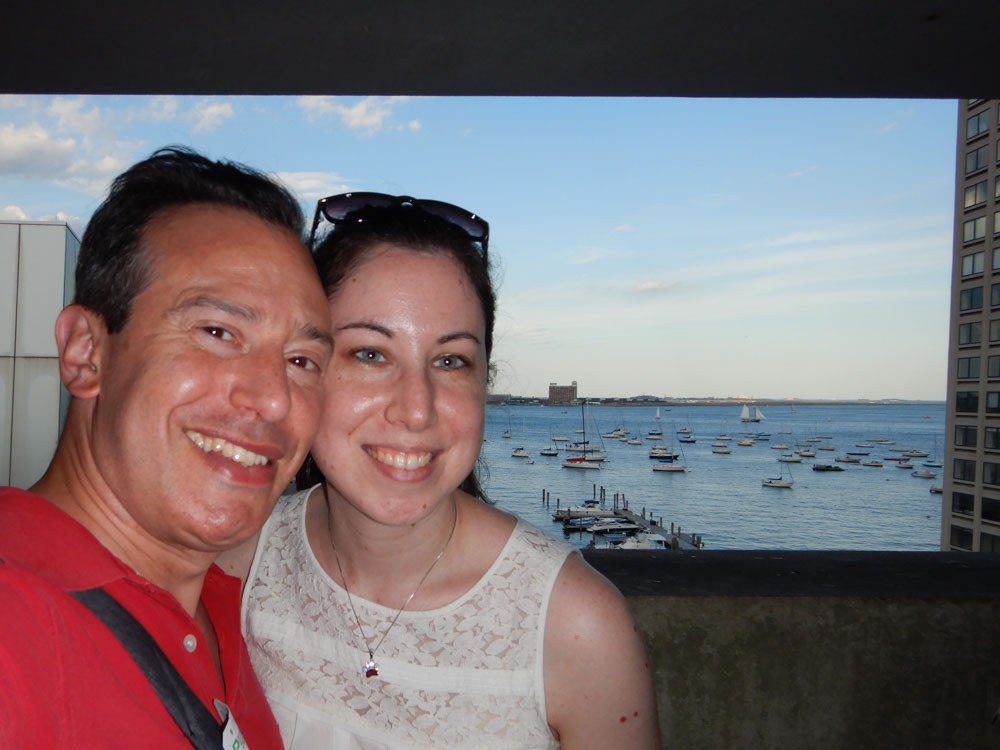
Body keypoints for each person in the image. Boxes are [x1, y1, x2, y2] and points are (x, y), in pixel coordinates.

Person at [223, 193, 660, 748]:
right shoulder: (243, 561)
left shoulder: (575, 627)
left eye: (450, 361)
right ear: (304, 366)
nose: (416, 407)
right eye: (370, 354)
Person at [0, 147, 334, 748]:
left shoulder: (224, 609)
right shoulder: (13, 630)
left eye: (301, 360)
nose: (276, 400)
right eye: (217, 332)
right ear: (85, 352)